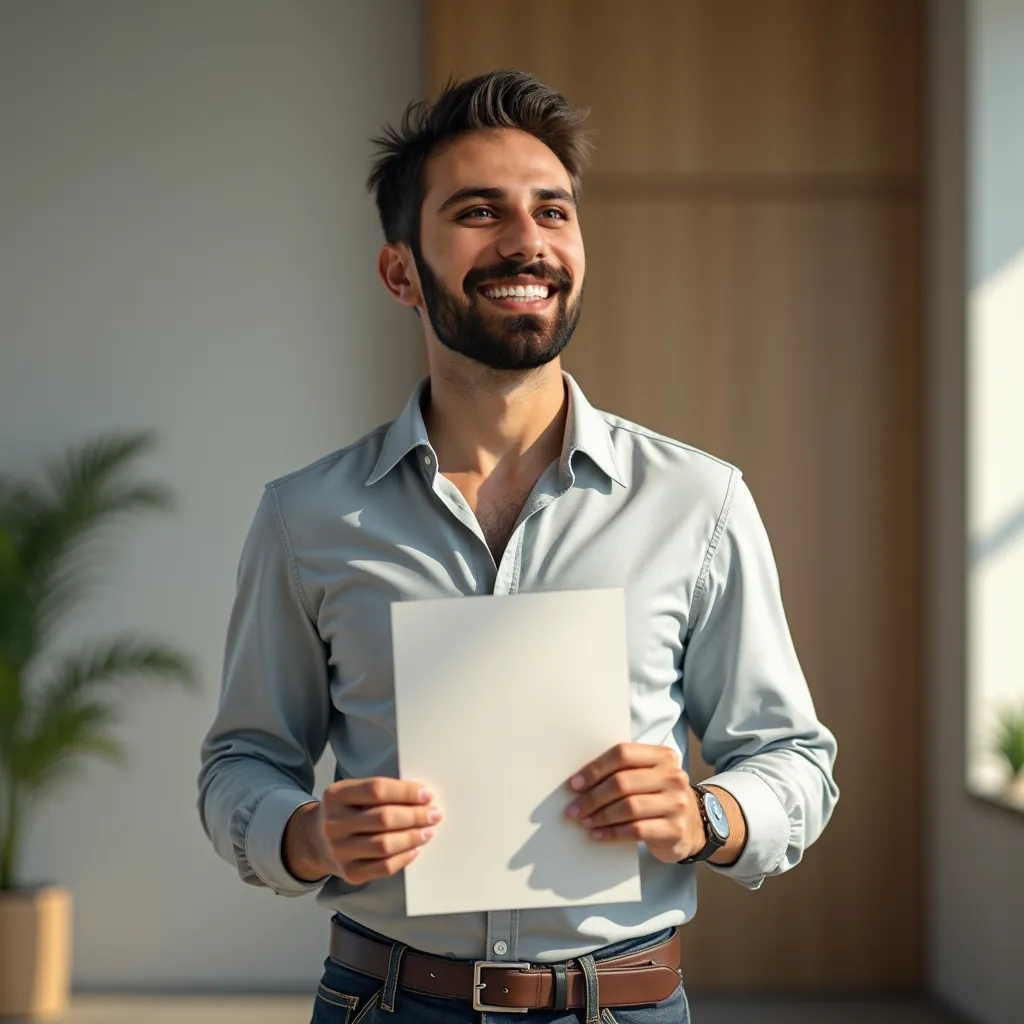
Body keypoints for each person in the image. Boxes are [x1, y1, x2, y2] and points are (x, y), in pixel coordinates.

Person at [198, 69, 839, 1024]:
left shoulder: (698, 503)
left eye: (553, 211)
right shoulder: (306, 518)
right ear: (400, 271)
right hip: (384, 1001)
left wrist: (711, 815)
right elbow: (241, 760)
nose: (527, 240)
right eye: (478, 212)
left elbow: (794, 756)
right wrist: (303, 833)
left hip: (624, 1007)